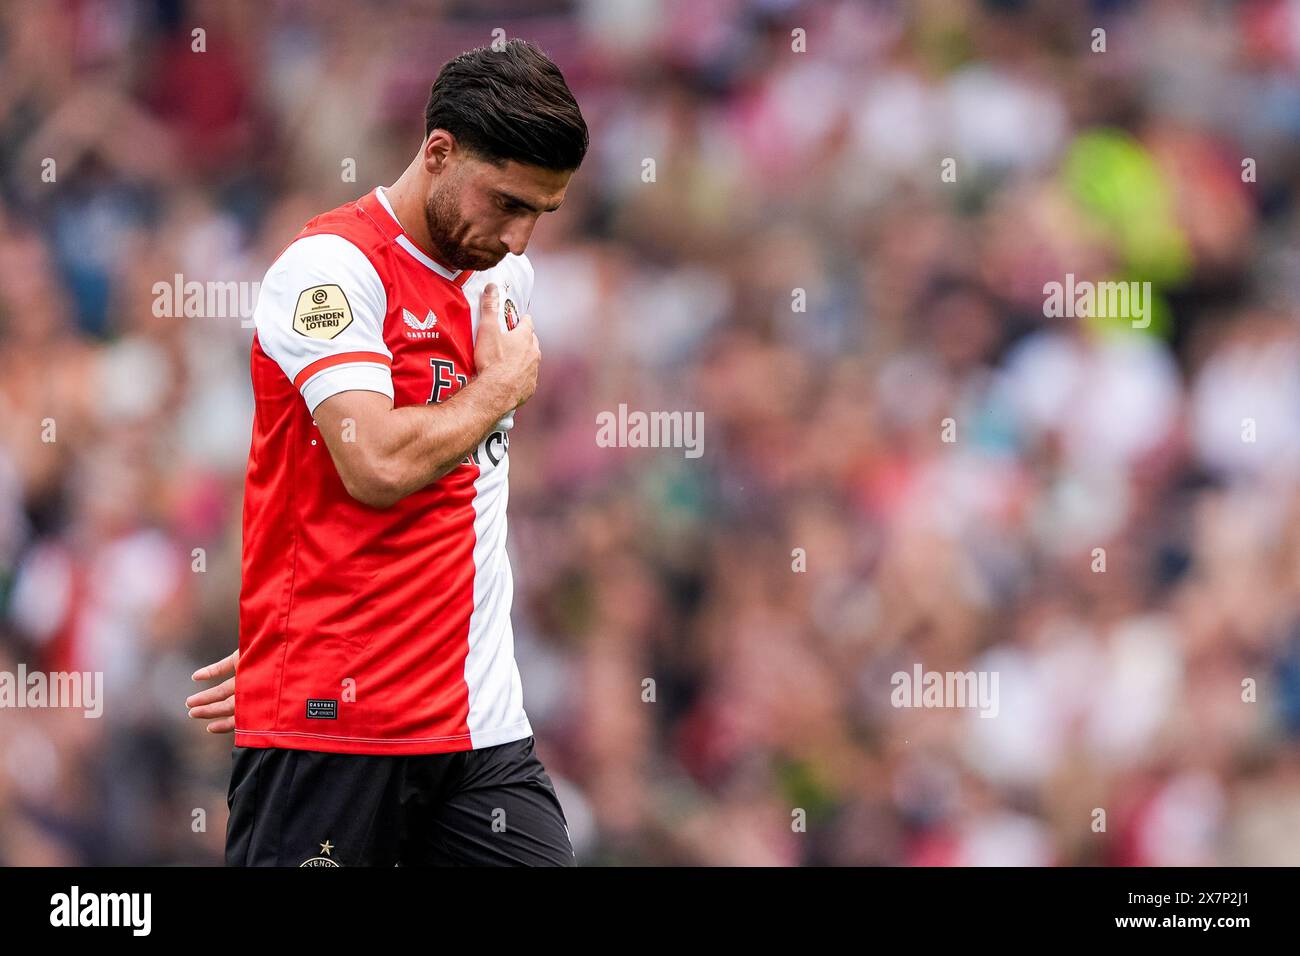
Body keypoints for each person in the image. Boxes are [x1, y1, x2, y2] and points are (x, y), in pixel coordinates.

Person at [184, 38, 588, 866]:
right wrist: (499, 391)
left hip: (478, 728)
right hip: (336, 729)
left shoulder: (503, 278)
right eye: (507, 202)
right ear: (437, 151)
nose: (518, 238)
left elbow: (462, 490)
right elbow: (374, 466)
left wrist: (289, 625)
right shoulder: (329, 271)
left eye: (540, 215)